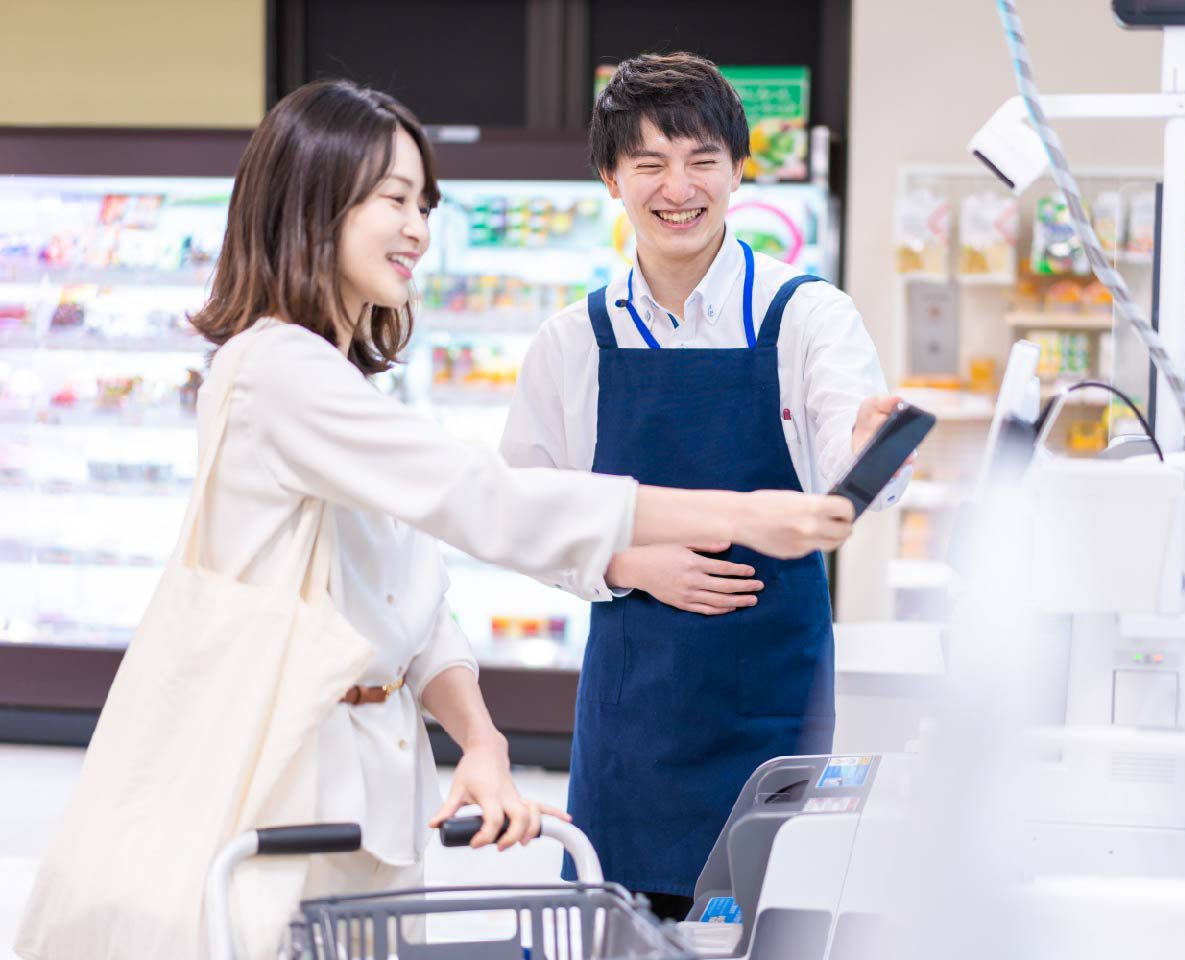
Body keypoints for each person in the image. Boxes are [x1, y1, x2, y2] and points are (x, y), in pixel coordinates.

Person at [21, 78, 855, 942]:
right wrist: (742, 515)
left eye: (424, 201)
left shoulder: (341, 380)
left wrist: (482, 740)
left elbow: (413, 593)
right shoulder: (275, 372)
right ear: (313, 202)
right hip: (276, 779)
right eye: (393, 199)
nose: (418, 227)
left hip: (371, 783)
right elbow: (482, 496)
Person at [499, 53, 907, 920]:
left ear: (737, 168)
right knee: (622, 925)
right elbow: (525, 513)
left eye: (700, 160)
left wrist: (873, 450)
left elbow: (847, 466)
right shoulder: (573, 342)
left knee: (772, 919)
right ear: (611, 177)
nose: (676, 187)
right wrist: (631, 564)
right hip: (634, 711)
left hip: (774, 701)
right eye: (648, 163)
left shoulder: (805, 316)